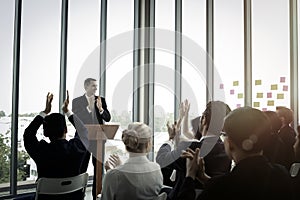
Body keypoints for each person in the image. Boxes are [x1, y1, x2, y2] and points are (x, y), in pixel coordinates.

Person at [177, 107, 293, 200]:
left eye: (225, 135)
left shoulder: (222, 187)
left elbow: (223, 187)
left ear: (230, 143)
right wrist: (204, 178)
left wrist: (190, 176)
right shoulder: (282, 174)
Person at [156, 101, 232, 199]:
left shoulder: (192, 148)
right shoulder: (227, 150)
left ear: (204, 119)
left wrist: (170, 139)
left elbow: (161, 159)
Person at [23, 91, 89, 199]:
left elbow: (28, 135)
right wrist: (67, 111)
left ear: (45, 133)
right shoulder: (77, 148)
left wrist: (45, 112)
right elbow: (83, 130)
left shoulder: (42, 151)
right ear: (66, 130)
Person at [101, 122, 163, 200]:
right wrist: (119, 169)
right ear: (148, 145)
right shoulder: (156, 169)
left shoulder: (114, 175)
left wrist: (111, 173)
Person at [72, 78, 111, 199]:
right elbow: (77, 118)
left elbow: (108, 117)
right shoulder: (77, 101)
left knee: (98, 170)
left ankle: (96, 196)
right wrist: (89, 107)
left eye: (96, 86)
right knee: (81, 168)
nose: (96, 88)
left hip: (98, 140)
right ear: (86, 87)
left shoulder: (101, 100)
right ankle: (78, 196)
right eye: (93, 86)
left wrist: (100, 109)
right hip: (82, 141)